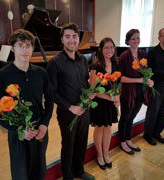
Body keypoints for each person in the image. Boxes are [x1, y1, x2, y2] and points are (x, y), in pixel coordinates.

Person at [0, 29, 54, 180]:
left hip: (39, 130)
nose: (24, 50)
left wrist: (44, 124)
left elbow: (50, 99)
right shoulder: (1, 76)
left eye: (28, 45)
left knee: (39, 171)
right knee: (20, 175)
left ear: (32, 48)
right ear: (12, 48)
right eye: (20, 45)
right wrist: (18, 129)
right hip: (18, 134)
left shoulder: (41, 72)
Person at [47, 23, 95, 180]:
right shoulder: (55, 62)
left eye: (74, 36)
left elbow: (84, 81)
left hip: (84, 110)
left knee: (81, 143)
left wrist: (90, 92)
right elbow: (51, 92)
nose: (71, 40)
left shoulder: (82, 59)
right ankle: (67, 176)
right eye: (67, 37)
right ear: (62, 39)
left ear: (78, 39)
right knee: (68, 145)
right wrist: (70, 107)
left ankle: (79, 171)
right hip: (67, 113)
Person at [118, 29, 154, 154]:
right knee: (125, 117)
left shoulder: (143, 54)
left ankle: (128, 139)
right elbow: (121, 78)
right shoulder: (124, 56)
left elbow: (148, 71)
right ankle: (122, 142)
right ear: (128, 41)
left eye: (138, 38)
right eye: (133, 38)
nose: (136, 41)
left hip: (140, 92)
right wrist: (139, 80)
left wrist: (149, 80)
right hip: (128, 93)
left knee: (132, 117)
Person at [89, 37, 120, 170]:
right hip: (100, 103)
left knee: (108, 129)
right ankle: (99, 155)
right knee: (100, 128)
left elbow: (118, 85)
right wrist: (110, 98)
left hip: (111, 103)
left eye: (112, 47)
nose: (109, 50)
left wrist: (117, 97)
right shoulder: (95, 66)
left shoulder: (117, 64)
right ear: (101, 50)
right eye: (106, 47)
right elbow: (93, 90)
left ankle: (106, 154)